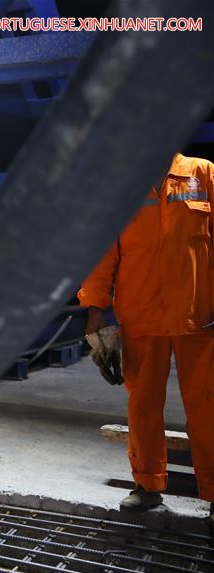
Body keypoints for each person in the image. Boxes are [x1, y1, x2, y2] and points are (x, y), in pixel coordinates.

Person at [79, 152, 213, 523]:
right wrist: (94, 309)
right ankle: (148, 485)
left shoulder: (203, 174)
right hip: (140, 316)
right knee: (143, 405)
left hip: (198, 316)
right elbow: (102, 252)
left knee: (207, 405)